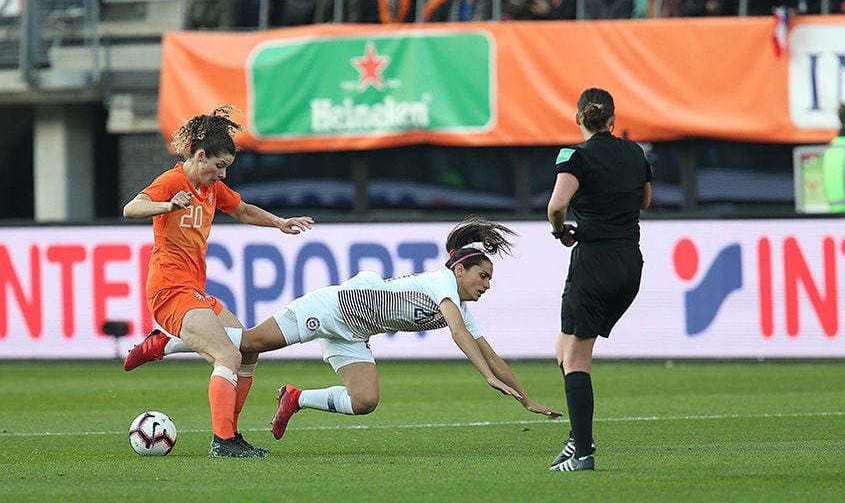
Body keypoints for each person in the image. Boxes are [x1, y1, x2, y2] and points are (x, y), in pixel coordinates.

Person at [123, 217, 563, 440]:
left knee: (366, 400)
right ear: (462, 268)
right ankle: (166, 342)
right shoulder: (441, 281)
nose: (486, 286)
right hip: (334, 307)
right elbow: (462, 339)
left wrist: (527, 399)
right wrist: (484, 376)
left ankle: (295, 398)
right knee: (252, 343)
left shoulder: (460, 303)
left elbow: (490, 351)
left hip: (353, 332)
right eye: (483, 276)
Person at [122, 107, 314, 457]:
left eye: (227, 167)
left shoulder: (211, 189)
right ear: (199, 156)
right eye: (219, 165)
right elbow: (131, 208)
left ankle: (230, 433)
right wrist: (166, 206)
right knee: (227, 354)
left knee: (250, 347)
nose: (222, 174)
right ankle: (222, 442)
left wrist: (279, 222)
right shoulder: (173, 182)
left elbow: (241, 210)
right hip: (170, 291)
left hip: (195, 291)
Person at [546, 87, 652, 472]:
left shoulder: (574, 155)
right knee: (563, 348)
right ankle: (578, 435)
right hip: (629, 263)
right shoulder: (634, 152)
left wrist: (561, 232)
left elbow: (557, 205)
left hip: (593, 262)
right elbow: (644, 201)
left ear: (579, 118)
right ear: (613, 120)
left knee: (576, 360)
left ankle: (584, 451)